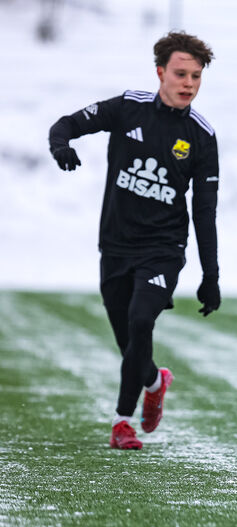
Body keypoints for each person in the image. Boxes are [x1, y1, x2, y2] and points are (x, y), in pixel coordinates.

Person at [48, 31, 221, 450]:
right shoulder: (129, 108)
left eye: (196, 76)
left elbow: (204, 212)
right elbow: (67, 123)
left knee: (141, 320)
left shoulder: (201, 137)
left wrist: (210, 276)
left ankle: (121, 423)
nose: (188, 83)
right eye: (180, 74)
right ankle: (154, 381)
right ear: (160, 72)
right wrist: (60, 145)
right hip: (116, 246)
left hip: (163, 249)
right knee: (128, 340)